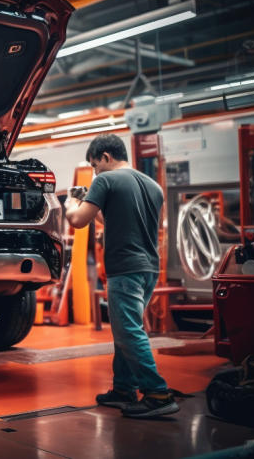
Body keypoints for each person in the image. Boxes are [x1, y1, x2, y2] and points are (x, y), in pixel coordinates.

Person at [64, 133, 178, 418]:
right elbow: (112, 220)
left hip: (125, 267)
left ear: (105, 156)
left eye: (95, 165)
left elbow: (78, 221)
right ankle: (123, 388)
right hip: (149, 267)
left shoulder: (105, 180)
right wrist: (89, 202)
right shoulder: (152, 185)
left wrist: (69, 203)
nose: (95, 171)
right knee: (125, 331)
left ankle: (157, 393)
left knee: (128, 332)